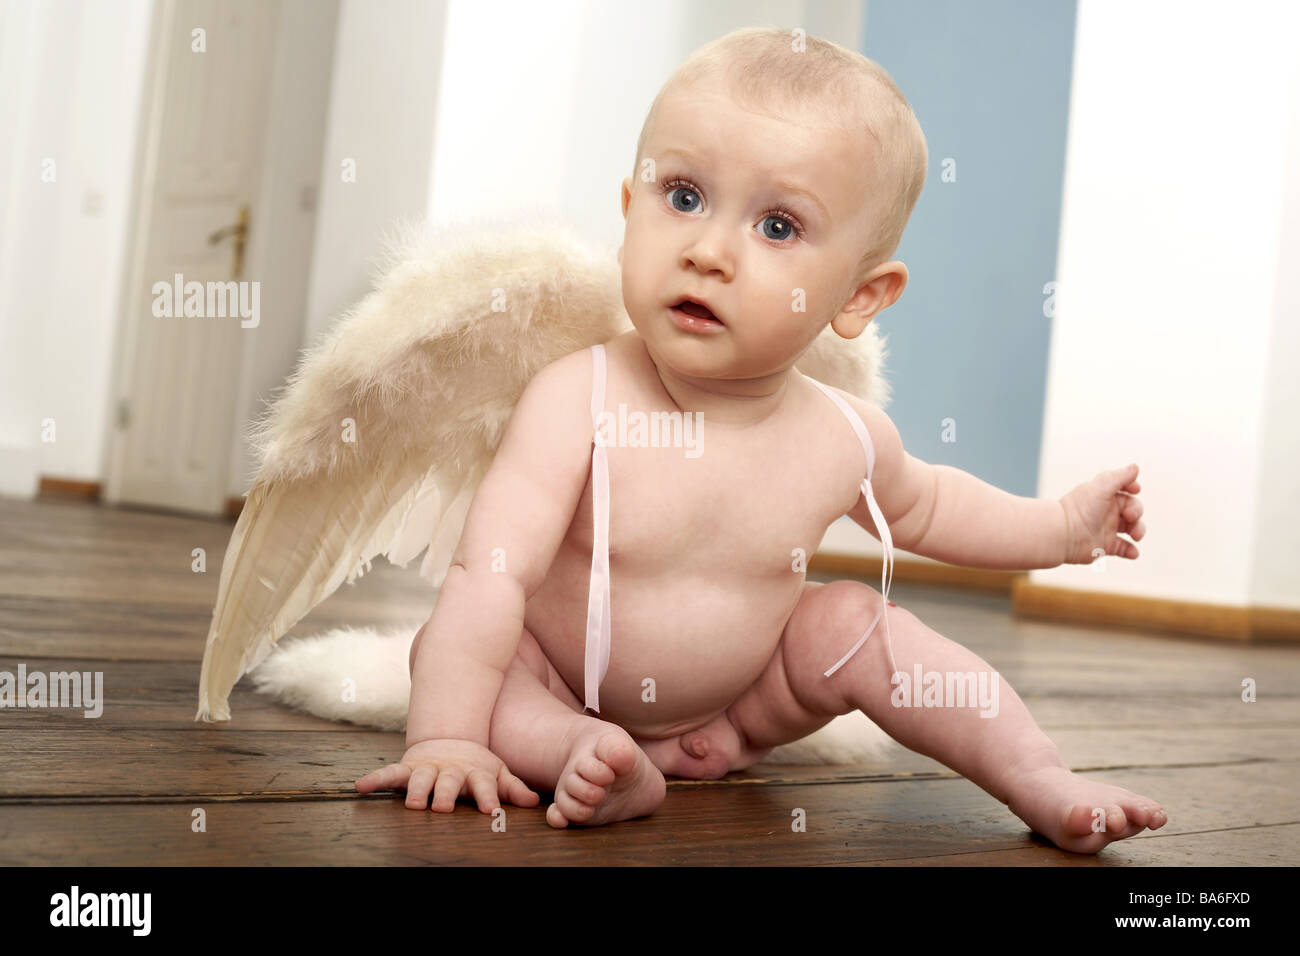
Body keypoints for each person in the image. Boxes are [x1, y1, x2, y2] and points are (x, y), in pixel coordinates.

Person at [356, 26, 1162, 853]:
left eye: (777, 227)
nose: (707, 251)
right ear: (630, 213)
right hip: (564, 683)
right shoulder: (577, 398)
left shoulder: (841, 434)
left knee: (860, 621)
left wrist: (1062, 530)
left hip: (743, 707)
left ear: (859, 297)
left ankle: (1037, 775)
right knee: (469, 651)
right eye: (683, 196)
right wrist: (446, 738)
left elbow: (931, 507)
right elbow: (489, 574)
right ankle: (583, 751)